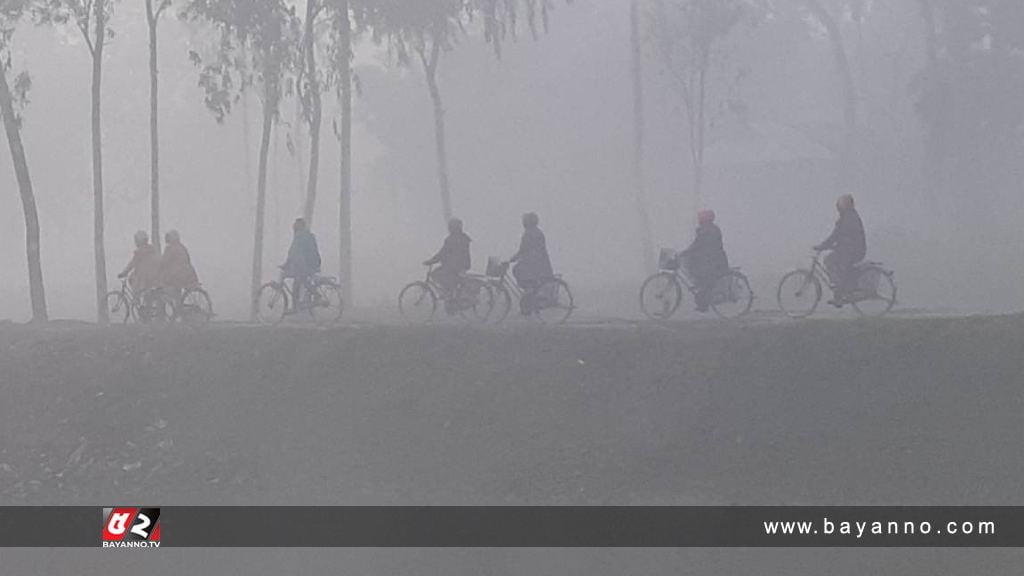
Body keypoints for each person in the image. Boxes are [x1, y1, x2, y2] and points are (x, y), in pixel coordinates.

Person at [814, 193, 866, 306]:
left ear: (846, 204)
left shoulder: (848, 217)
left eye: (841, 203)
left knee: (830, 261)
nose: (838, 206)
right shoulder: (848, 216)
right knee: (832, 262)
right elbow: (838, 236)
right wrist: (828, 245)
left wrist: (824, 245)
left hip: (852, 251)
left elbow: (838, 235)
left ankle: (840, 293)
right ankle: (840, 291)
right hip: (850, 250)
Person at [680, 209, 729, 313]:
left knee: (704, 279)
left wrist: (686, 252)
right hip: (712, 261)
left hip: (713, 262)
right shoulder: (710, 229)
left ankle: (704, 303)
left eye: (701, 218)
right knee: (702, 279)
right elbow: (699, 245)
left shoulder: (708, 230)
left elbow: (699, 245)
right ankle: (703, 301)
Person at [424, 217, 471, 299]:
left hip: (456, 265)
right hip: (460, 264)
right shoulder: (462, 237)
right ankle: (450, 292)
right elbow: (444, 252)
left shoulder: (452, 239)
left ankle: (448, 293)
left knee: (436, 274)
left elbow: (443, 253)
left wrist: (432, 261)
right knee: (441, 275)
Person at [281, 218, 322, 308]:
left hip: (307, 265)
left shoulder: (300, 236)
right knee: (299, 281)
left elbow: (293, 253)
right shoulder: (308, 235)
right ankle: (298, 305)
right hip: (312, 263)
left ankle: (297, 306)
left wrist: (286, 264)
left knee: (298, 281)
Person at [510, 212, 554, 293]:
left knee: (516, 269)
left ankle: (529, 291)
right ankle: (531, 291)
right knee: (523, 272)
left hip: (534, 264)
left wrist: (511, 260)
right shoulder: (538, 232)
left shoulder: (528, 233)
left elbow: (522, 250)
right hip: (541, 263)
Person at [159, 230, 200, 302]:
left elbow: (163, 262)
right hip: (188, 275)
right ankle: (178, 305)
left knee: (162, 286)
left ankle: (171, 306)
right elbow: (187, 260)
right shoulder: (182, 248)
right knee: (177, 288)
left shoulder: (170, 248)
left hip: (176, 276)